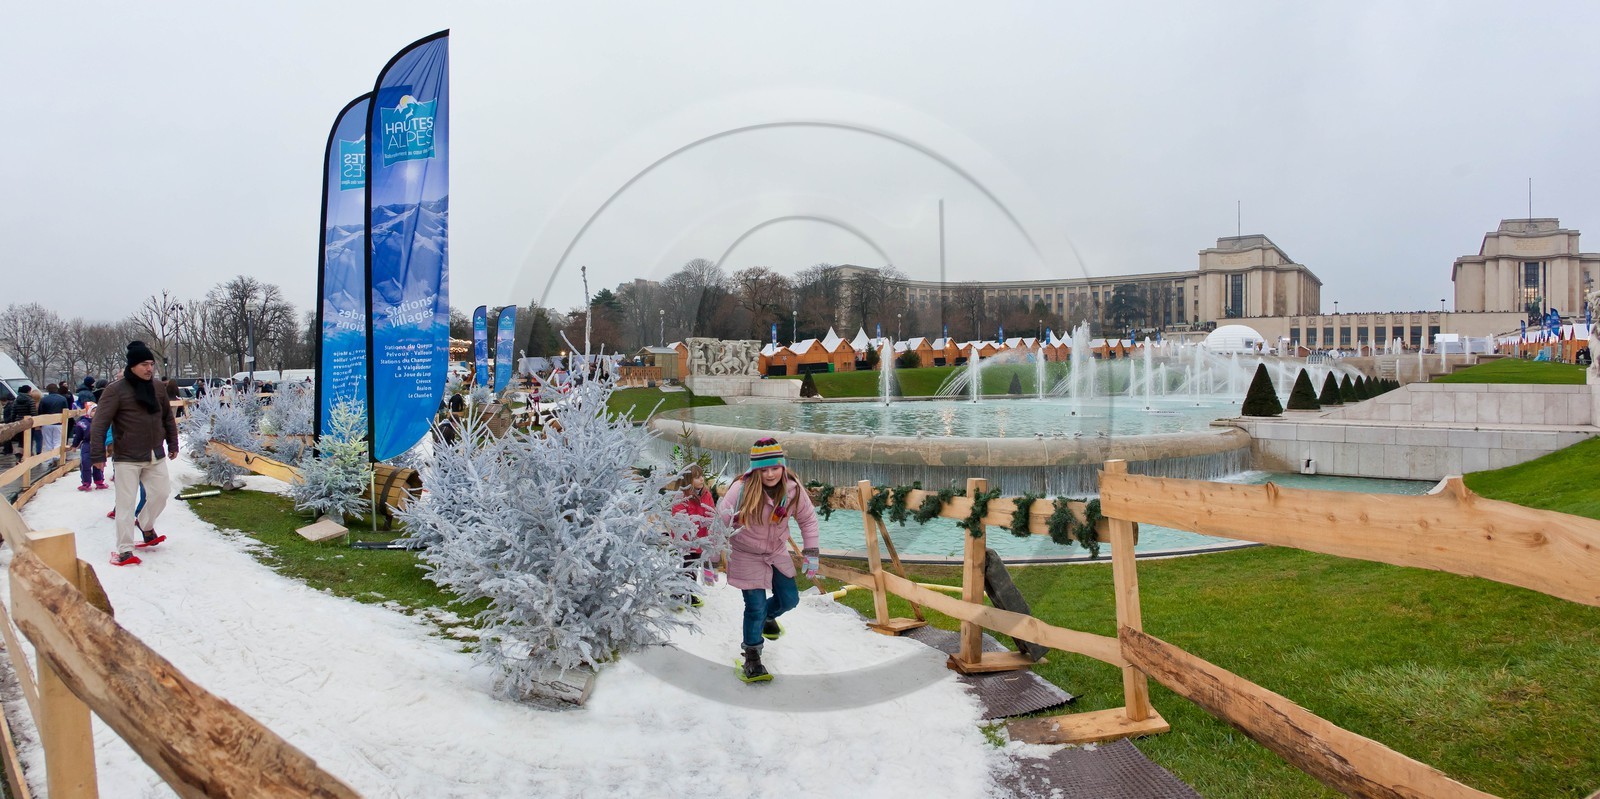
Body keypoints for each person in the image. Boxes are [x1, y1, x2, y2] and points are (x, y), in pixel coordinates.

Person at [715, 438, 820, 683]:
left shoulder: (792, 489)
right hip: (746, 554)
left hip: (775, 552)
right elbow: (720, 523)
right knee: (755, 607)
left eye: (774, 468)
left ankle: (768, 618)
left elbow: (808, 519)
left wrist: (811, 552)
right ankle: (752, 656)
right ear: (755, 470)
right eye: (764, 469)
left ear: (782, 466)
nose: (770, 474)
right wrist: (711, 559)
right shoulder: (741, 489)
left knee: (790, 599)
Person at [90, 341, 179, 567]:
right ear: (132, 366)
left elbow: (167, 417)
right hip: (127, 457)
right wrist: (97, 455)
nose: (149, 369)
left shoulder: (158, 388)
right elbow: (100, 423)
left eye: (151, 364)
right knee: (126, 504)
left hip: (154, 454)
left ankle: (146, 525)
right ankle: (125, 550)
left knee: (161, 494)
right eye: (144, 364)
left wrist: (172, 443)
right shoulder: (115, 390)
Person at [669, 463, 715, 608]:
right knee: (687, 565)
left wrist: (709, 521)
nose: (701, 479)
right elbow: (677, 514)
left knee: (694, 566)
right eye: (697, 477)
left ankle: (689, 593)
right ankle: (676, 595)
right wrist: (692, 522)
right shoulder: (682, 495)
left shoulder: (706, 494)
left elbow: (711, 511)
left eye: (702, 476)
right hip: (685, 539)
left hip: (700, 538)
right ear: (688, 480)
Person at [73, 403, 107, 491]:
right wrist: (74, 445)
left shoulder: (102, 421)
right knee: (85, 463)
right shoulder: (83, 423)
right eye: (93, 411)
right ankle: (86, 482)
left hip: (99, 445)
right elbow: (78, 436)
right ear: (88, 412)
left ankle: (99, 480)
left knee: (98, 463)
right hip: (87, 444)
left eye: (97, 410)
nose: (96, 413)